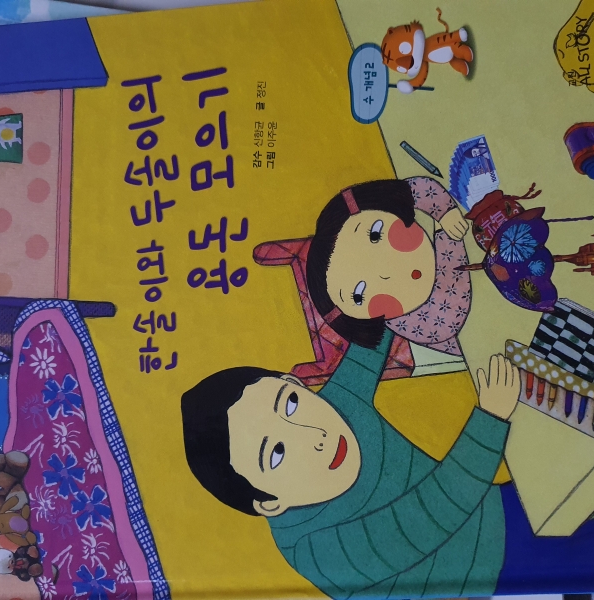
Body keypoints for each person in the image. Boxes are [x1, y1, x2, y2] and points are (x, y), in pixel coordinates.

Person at [182, 329, 519, 598]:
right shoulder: (315, 549)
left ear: (294, 382)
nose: (316, 435)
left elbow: (370, 343)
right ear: (269, 503)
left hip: (491, 510)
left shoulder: (338, 406)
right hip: (490, 575)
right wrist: (490, 419)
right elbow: (429, 516)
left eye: (291, 404)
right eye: (277, 453)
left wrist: (382, 294)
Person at [305, 177, 471, 356]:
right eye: (359, 295)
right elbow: (454, 300)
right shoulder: (418, 323)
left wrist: (445, 211)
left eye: (375, 235)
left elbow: (414, 189)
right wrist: (450, 237)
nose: (384, 273)